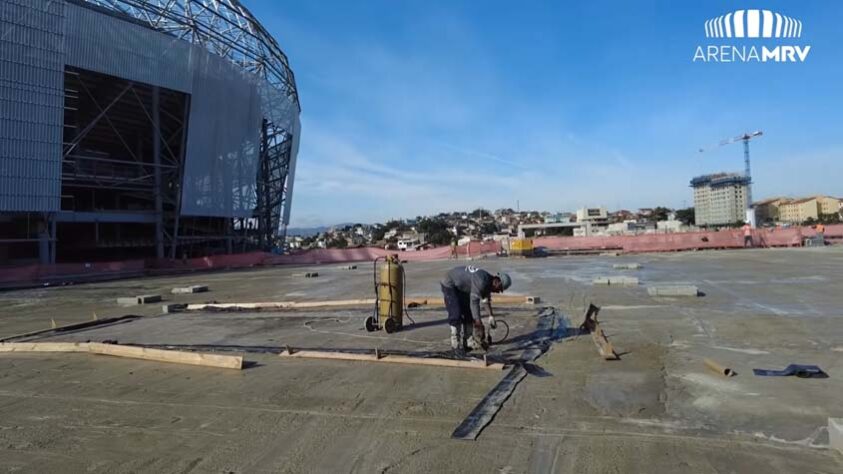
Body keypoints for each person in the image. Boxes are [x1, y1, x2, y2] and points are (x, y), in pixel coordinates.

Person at [440, 265, 511, 354]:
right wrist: (478, 323)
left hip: (461, 287)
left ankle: (468, 342)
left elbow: (485, 300)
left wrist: (491, 316)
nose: (498, 292)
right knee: (456, 314)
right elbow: (474, 303)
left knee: (468, 313)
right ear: (497, 282)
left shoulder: (488, 283)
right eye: (499, 289)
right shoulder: (482, 281)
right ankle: (455, 345)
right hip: (450, 283)